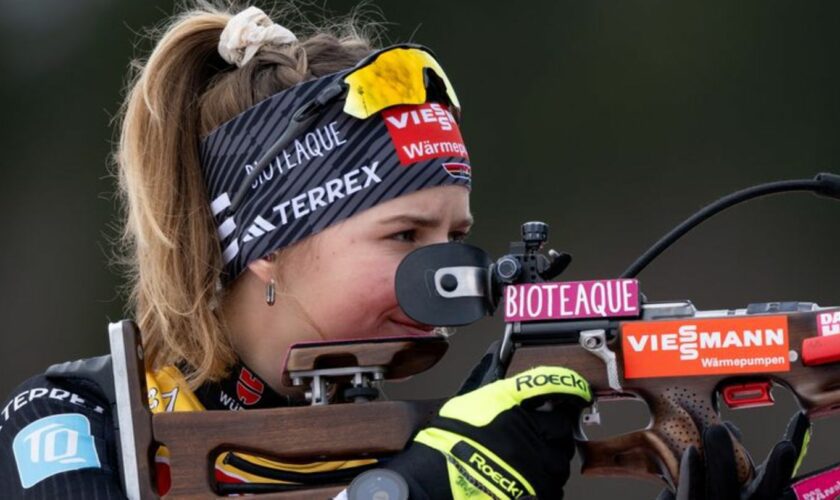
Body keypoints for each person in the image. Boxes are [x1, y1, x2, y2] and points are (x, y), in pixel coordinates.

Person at [0, 3, 824, 499]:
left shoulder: (428, 434)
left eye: (457, 237)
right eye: (403, 237)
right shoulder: (73, 427)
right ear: (265, 247)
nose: (450, 276)